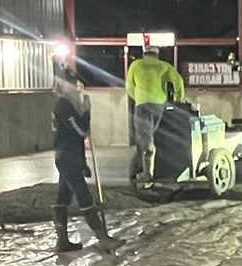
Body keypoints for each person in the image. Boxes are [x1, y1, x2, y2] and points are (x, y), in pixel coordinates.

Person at [52, 69, 117, 253]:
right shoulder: (64, 105)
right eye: (70, 83)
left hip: (68, 156)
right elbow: (81, 130)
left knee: (62, 198)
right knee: (84, 196)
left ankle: (62, 241)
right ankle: (102, 239)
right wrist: (87, 112)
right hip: (67, 157)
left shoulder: (68, 104)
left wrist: (82, 162)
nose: (75, 87)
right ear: (62, 85)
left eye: (75, 83)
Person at [125, 47, 186, 181]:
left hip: (142, 106)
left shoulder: (136, 65)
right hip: (160, 106)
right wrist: (179, 99)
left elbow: (129, 87)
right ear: (157, 55)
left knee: (145, 139)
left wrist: (139, 98)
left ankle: (147, 174)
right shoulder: (164, 66)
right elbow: (179, 81)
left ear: (144, 54)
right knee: (153, 136)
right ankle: (145, 169)